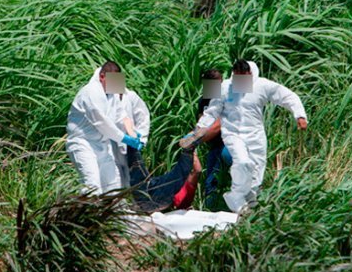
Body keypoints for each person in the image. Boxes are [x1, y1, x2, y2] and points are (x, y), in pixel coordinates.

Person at [182, 60, 308, 213]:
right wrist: (198, 131)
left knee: (256, 171)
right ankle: (230, 199)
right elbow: (211, 113)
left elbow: (287, 96)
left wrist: (299, 115)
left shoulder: (262, 85)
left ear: (250, 75)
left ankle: (251, 209)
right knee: (242, 163)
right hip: (232, 136)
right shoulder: (224, 88)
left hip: (255, 135)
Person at [66, 61, 143, 195]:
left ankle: (112, 215)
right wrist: (125, 138)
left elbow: (122, 116)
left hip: (103, 144)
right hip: (83, 144)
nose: (116, 86)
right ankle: (86, 214)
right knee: (92, 185)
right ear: (102, 76)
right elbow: (102, 123)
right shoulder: (90, 92)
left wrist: (133, 134)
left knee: (114, 186)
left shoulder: (111, 93)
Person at [127, 143, 202, 214]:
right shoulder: (184, 193)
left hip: (157, 198)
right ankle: (188, 150)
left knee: (136, 165)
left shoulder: (183, 193)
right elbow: (197, 170)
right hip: (158, 196)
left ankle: (188, 150)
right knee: (136, 166)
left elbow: (197, 170)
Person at [197, 69, 233, 210]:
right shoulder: (204, 101)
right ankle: (210, 211)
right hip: (215, 145)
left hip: (230, 143)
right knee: (211, 181)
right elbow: (201, 121)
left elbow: (218, 125)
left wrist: (195, 139)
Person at [112, 88, 151, 188]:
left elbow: (143, 117)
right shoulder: (105, 99)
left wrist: (140, 138)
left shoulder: (130, 96)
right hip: (110, 146)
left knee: (133, 181)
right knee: (114, 181)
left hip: (130, 146)